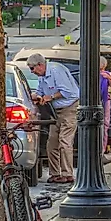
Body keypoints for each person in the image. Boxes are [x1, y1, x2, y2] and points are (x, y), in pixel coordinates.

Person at [27, 53, 80, 184]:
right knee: (52, 143)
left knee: (65, 142)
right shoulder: (42, 76)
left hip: (69, 108)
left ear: (40, 65)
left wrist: (50, 97)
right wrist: (35, 96)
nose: (32, 72)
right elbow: (40, 90)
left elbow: (68, 92)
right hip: (55, 111)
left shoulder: (56, 71)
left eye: (32, 68)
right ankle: (55, 173)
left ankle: (67, 174)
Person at [100, 56, 111, 154]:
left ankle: (102, 149)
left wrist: (109, 78)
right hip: (97, 100)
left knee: (105, 125)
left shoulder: (107, 74)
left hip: (105, 100)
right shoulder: (92, 73)